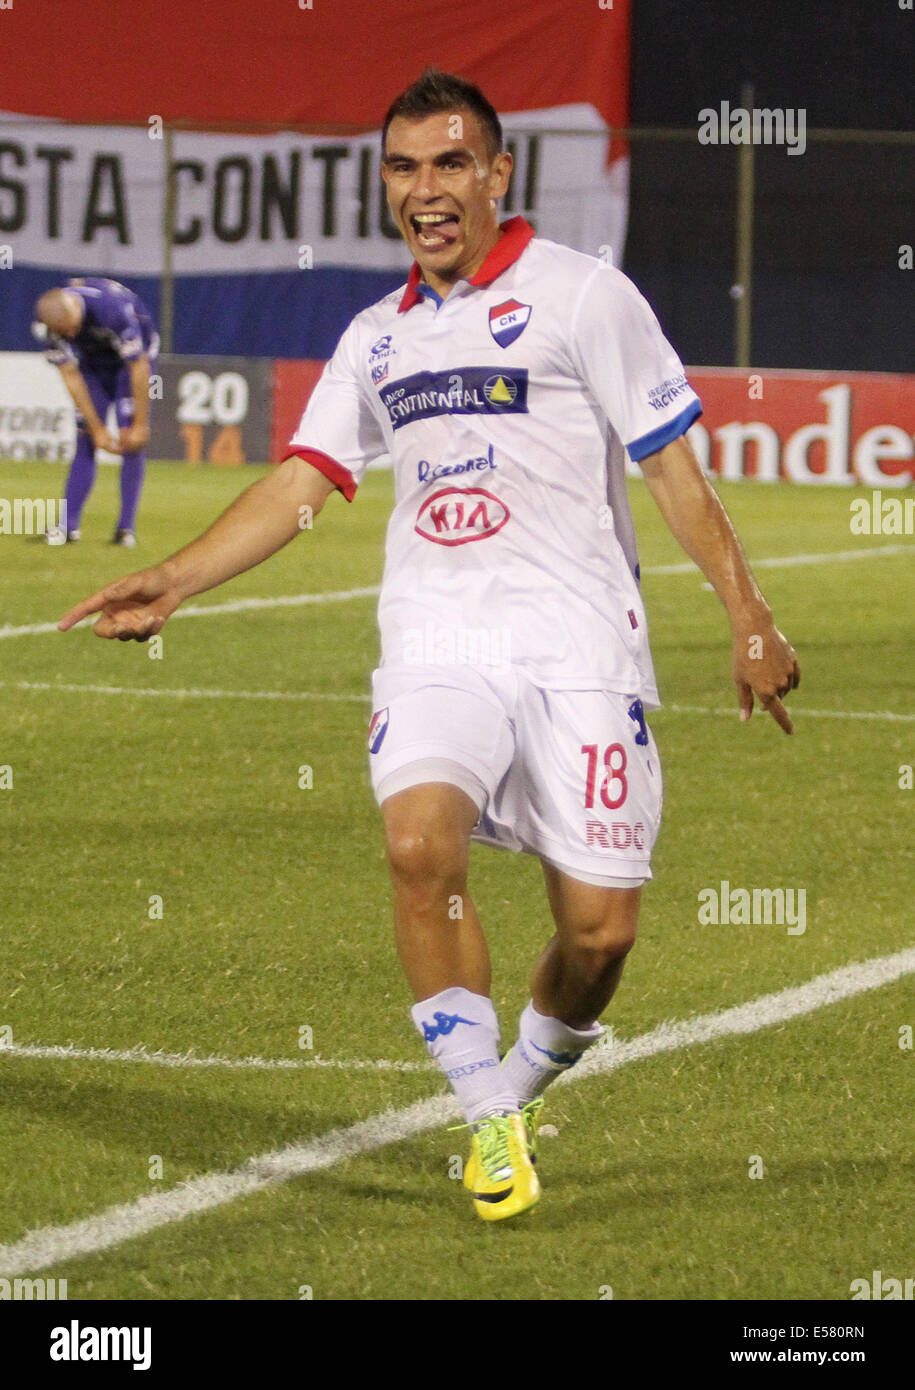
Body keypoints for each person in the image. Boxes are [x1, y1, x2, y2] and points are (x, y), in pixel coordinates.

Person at [59, 70, 799, 1223]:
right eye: (403, 168)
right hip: (437, 637)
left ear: (500, 174)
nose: (426, 190)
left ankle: (522, 1081)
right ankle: (485, 1116)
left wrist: (751, 614)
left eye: (451, 164)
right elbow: (306, 479)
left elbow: (670, 466)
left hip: (580, 647)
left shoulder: (585, 298)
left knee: (600, 933)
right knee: (417, 841)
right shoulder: (375, 338)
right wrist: (178, 579)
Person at [33, 277, 158, 546]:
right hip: (94, 365)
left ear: (75, 312)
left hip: (133, 364)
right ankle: (67, 527)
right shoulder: (51, 327)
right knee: (86, 437)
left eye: (71, 330)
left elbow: (139, 366)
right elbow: (71, 375)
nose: (67, 336)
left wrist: (140, 424)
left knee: (131, 440)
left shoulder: (112, 308)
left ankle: (126, 529)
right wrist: (98, 430)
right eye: (62, 333)